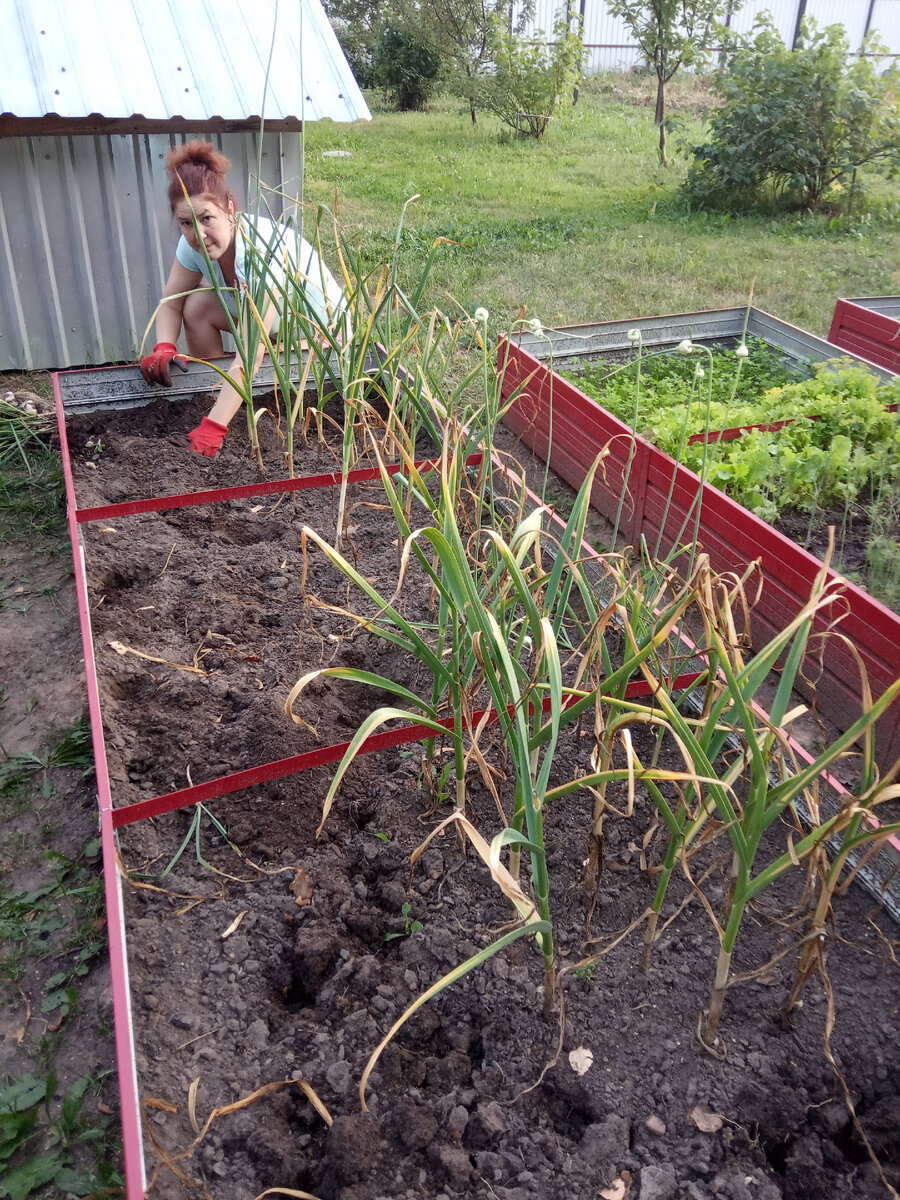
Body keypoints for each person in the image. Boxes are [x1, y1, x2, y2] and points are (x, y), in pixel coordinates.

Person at [139, 141, 344, 457]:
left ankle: (221, 418)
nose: (198, 233)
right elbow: (171, 302)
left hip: (324, 338)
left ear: (229, 211)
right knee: (195, 307)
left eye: (206, 218)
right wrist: (164, 344)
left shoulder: (260, 252)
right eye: (186, 223)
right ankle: (216, 397)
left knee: (256, 358)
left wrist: (214, 429)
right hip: (279, 326)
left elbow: (251, 355)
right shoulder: (192, 247)